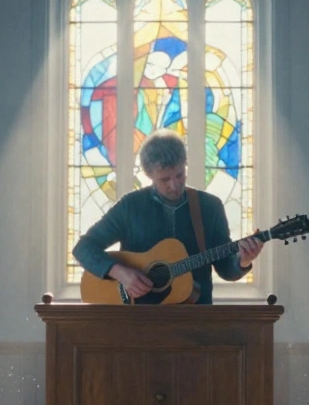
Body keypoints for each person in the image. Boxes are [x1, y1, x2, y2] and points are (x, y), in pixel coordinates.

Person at [72, 129, 262, 304]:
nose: (174, 184)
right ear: (149, 175)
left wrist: (243, 260)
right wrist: (120, 273)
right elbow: (83, 248)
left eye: (179, 175)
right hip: (139, 319)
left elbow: (225, 267)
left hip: (196, 318)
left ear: (185, 165)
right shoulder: (131, 206)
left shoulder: (209, 207)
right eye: (164, 179)